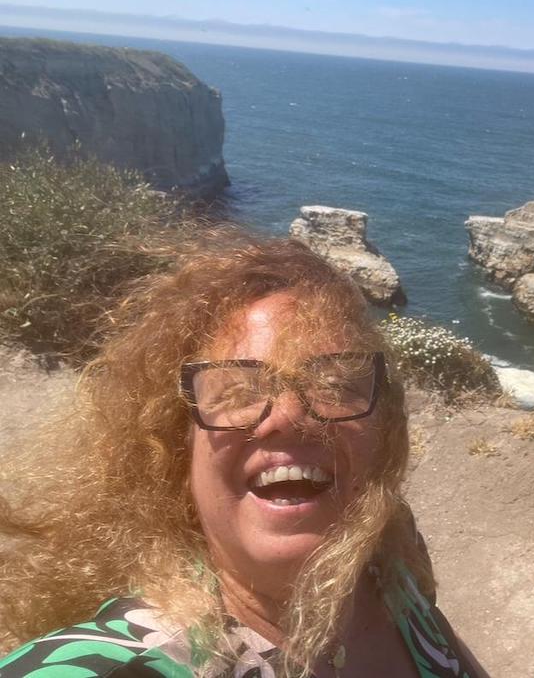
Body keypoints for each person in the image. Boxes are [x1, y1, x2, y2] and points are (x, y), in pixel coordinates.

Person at [0, 233, 487, 677]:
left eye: (334, 384)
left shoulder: (390, 555)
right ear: (177, 454)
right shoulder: (116, 666)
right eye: (236, 391)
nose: (288, 416)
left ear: (384, 433)